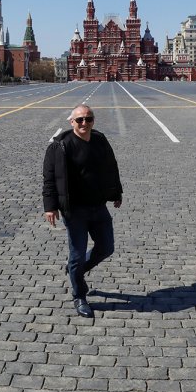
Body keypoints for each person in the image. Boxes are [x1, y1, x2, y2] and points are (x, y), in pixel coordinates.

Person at [43, 104, 123, 318]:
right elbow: (49, 179)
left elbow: (111, 166)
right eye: (79, 120)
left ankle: (74, 270)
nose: (84, 123)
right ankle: (79, 295)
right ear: (72, 122)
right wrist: (50, 207)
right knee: (77, 256)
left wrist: (116, 192)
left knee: (106, 247)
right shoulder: (60, 146)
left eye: (88, 119)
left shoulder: (99, 140)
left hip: (98, 206)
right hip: (74, 210)